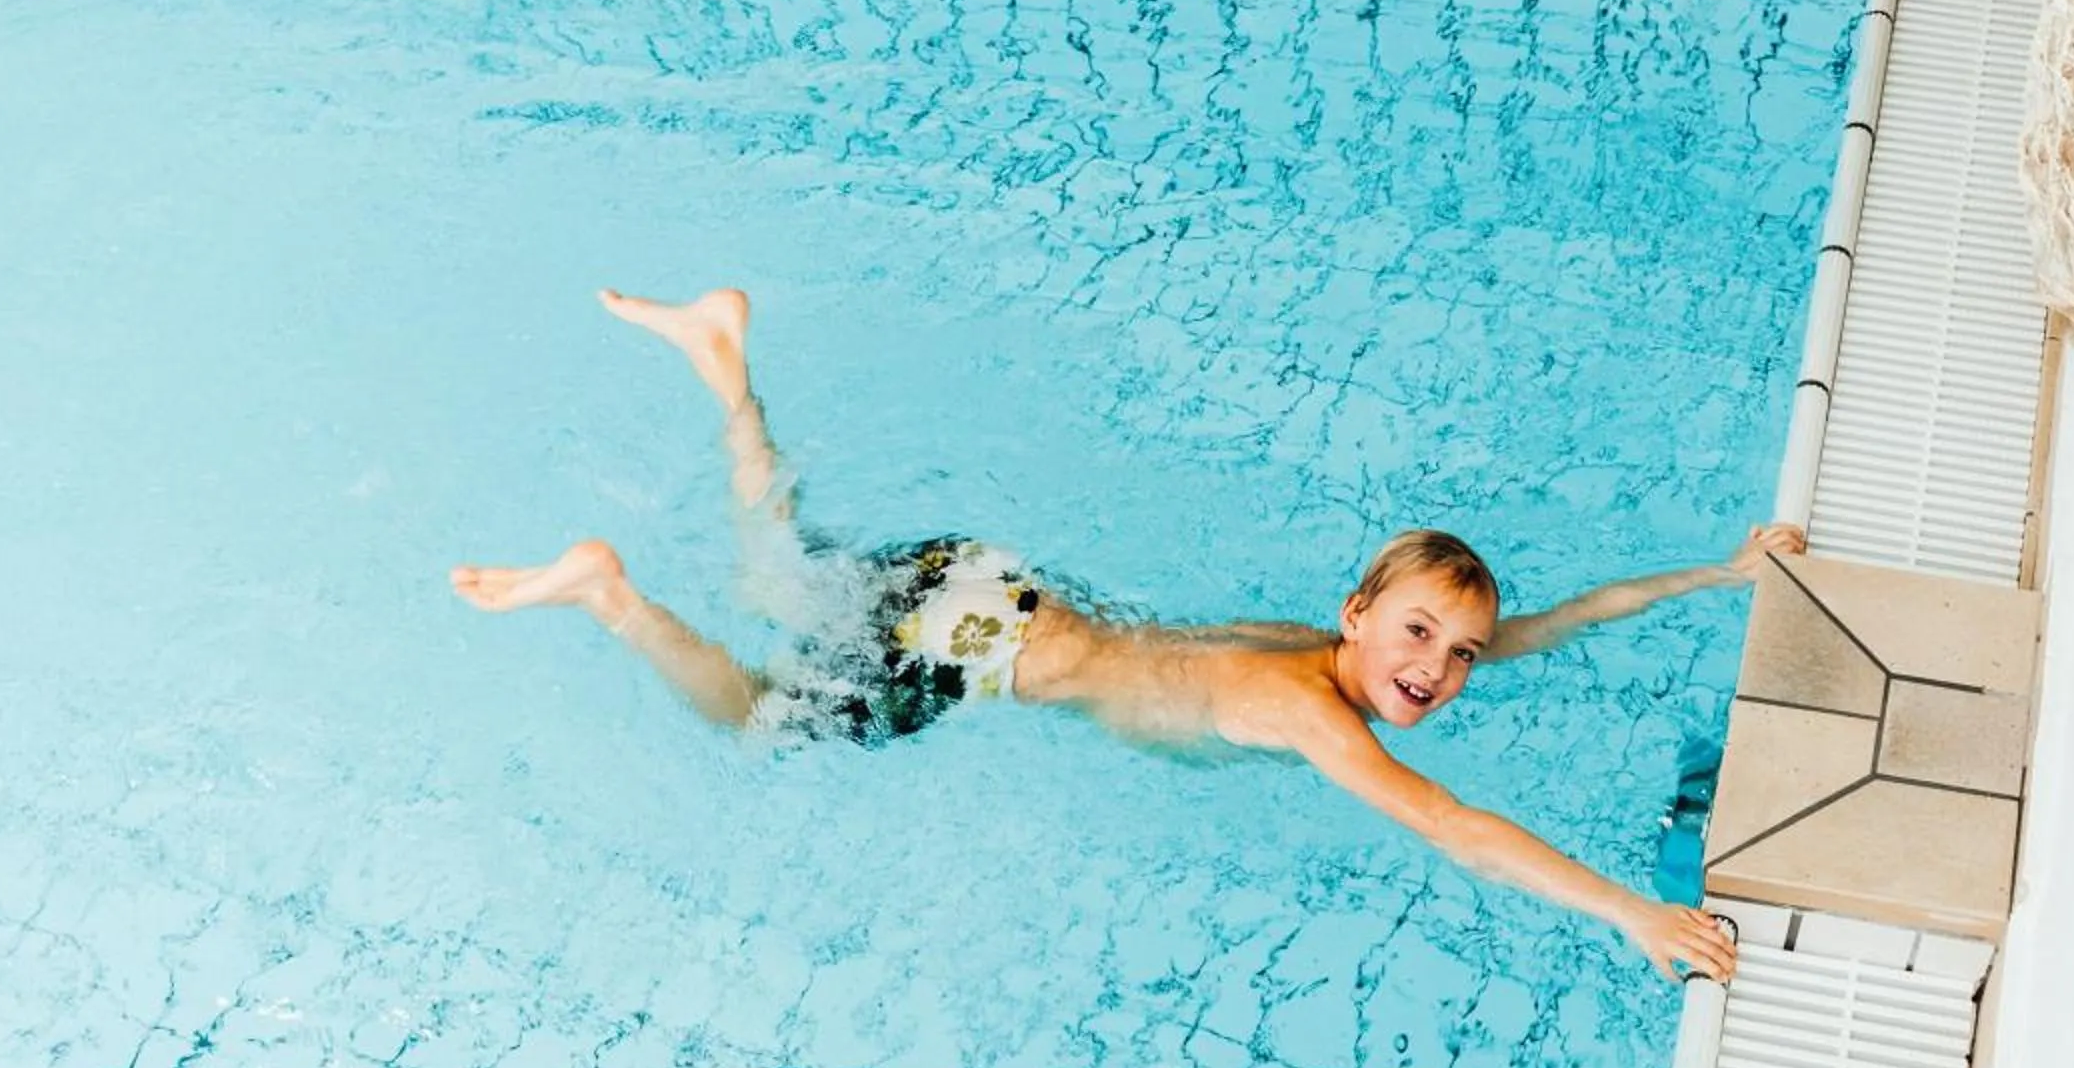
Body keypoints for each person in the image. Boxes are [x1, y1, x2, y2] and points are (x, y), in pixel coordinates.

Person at [452, 288, 1807, 982]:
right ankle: (609, 593)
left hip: (994, 587)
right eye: (1420, 637)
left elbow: (1553, 628)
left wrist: (1720, 574)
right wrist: (1632, 912)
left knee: (784, 579)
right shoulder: (1304, 710)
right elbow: (1452, 828)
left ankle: (726, 362)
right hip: (974, 644)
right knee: (756, 710)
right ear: (1360, 617)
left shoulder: (1318, 651)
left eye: (1453, 654)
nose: (1439, 672)